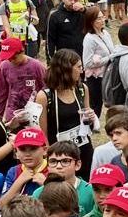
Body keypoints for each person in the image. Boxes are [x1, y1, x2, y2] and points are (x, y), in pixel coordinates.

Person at [36, 50, 97, 179]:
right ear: (66, 69)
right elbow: (43, 134)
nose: (82, 71)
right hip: (60, 155)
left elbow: (88, 121)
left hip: (83, 149)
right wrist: (49, 159)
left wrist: (91, 118)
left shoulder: (82, 89)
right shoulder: (45, 96)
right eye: (78, 67)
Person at [0, 37, 47, 128]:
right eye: (8, 58)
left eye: (13, 57)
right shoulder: (4, 66)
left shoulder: (36, 66)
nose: (11, 60)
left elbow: (46, 89)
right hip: (13, 116)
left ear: (22, 51)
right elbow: (1, 94)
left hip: (33, 115)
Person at [82, 7, 113, 119]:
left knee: (104, 100)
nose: (102, 20)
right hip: (95, 77)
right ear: (92, 22)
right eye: (98, 18)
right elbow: (88, 63)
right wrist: (108, 58)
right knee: (95, 103)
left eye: (102, 17)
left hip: (107, 74)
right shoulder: (89, 39)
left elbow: (111, 50)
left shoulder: (105, 33)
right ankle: (92, 124)